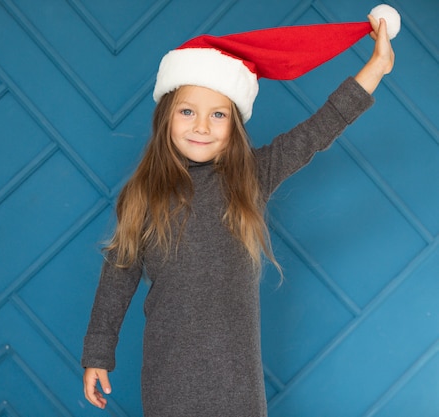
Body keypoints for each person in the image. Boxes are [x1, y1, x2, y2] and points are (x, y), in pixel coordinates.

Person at [81, 5, 397, 416]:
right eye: (187, 111)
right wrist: (98, 352)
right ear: (166, 117)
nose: (201, 127)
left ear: (234, 125)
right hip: (168, 372)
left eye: (218, 115)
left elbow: (318, 129)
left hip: (237, 376)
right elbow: (117, 278)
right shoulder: (144, 194)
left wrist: (376, 67)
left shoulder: (252, 176)